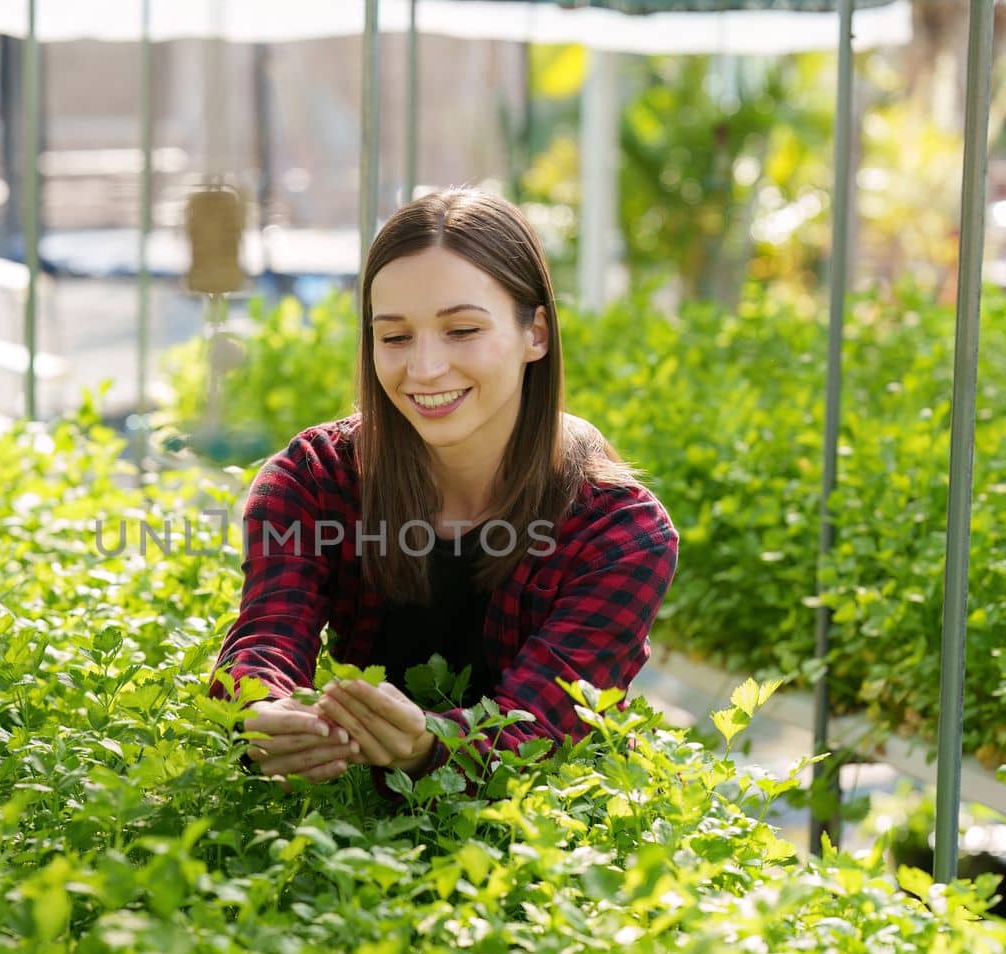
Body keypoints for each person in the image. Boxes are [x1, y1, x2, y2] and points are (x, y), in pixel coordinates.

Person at [208, 186, 678, 803]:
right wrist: (261, 712)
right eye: (395, 337)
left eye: (461, 330)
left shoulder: (619, 533)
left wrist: (430, 747)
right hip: (361, 826)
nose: (425, 368)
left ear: (535, 333)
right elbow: (268, 633)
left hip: (544, 832)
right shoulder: (315, 479)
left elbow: (539, 729)